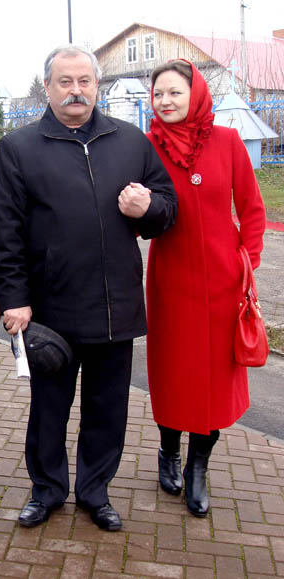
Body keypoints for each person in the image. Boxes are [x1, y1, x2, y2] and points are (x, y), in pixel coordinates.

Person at [0, 45, 177, 532]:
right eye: (65, 82)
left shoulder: (130, 141)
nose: (76, 91)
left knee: (107, 410)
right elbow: (5, 232)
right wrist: (14, 299)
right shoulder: (18, 148)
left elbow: (168, 207)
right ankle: (47, 491)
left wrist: (149, 209)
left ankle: (96, 493)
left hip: (115, 307)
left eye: (85, 81)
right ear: (47, 88)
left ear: (97, 85)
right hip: (50, 311)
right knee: (48, 411)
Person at [145, 60, 266, 517]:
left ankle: (198, 467)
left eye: (175, 93)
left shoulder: (228, 141)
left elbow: (252, 209)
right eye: (158, 94)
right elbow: (138, 216)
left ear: (195, 95)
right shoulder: (146, 148)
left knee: (213, 380)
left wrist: (247, 262)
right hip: (171, 280)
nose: (166, 102)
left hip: (222, 281)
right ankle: (168, 451)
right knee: (173, 371)